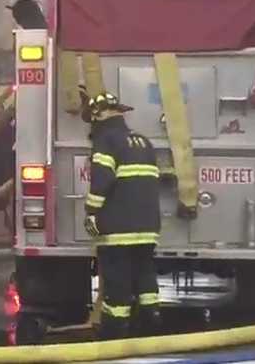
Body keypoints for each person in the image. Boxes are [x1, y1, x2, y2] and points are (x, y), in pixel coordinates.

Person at [80, 88, 163, 340]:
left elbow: (102, 181)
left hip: (117, 229)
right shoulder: (143, 141)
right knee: (145, 276)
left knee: (117, 281)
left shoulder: (106, 141)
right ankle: (151, 325)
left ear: (98, 116)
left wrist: (91, 213)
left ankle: (113, 334)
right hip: (148, 227)